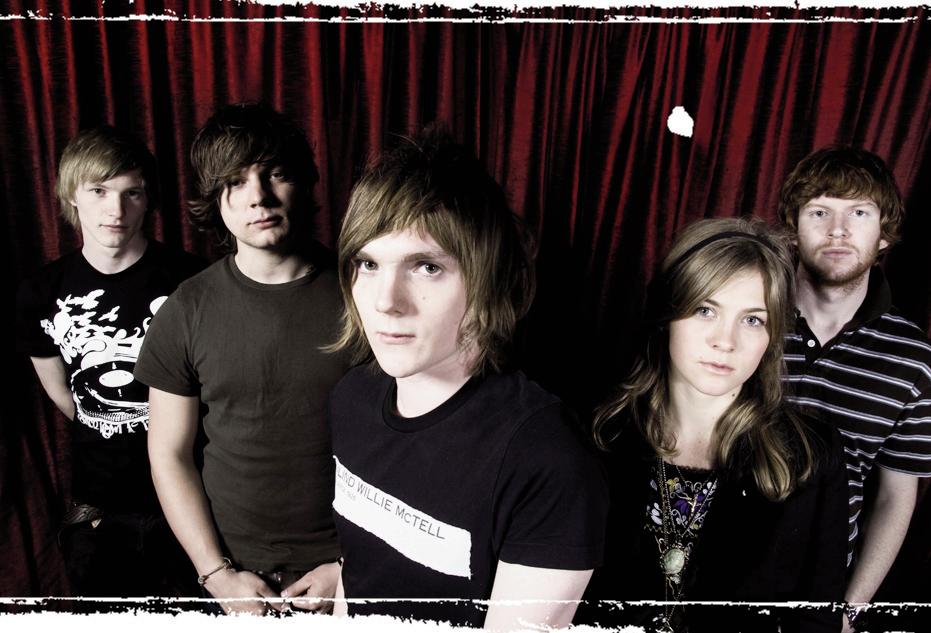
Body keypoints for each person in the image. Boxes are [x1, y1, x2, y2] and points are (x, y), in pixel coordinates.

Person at [327, 126, 609, 629]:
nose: (386, 301)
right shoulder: (351, 398)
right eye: (368, 263)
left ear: (486, 279)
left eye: (426, 267)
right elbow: (358, 573)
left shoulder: (546, 459)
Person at [133, 103, 348, 614]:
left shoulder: (365, 294)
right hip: (236, 572)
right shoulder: (187, 308)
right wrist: (217, 575)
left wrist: (352, 566)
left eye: (275, 173)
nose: (258, 196)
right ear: (215, 198)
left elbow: (415, 444)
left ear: (303, 182)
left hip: (348, 567)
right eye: (235, 181)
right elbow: (168, 454)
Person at [587, 218, 847, 632]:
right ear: (668, 314)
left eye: (752, 320)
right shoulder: (596, 434)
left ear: (773, 336)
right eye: (705, 310)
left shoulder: (811, 456)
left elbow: (817, 617)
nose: (725, 341)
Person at [15, 126, 204, 597]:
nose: (115, 210)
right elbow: (67, 396)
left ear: (148, 199)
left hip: (196, 502)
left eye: (131, 193)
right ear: (71, 196)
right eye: (98, 191)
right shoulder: (41, 292)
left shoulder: (193, 281)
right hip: (99, 510)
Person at [778, 146, 931, 630]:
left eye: (859, 213)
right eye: (819, 211)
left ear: (884, 232)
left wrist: (851, 609)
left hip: (819, 590)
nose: (838, 230)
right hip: (714, 571)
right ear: (793, 227)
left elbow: (896, 496)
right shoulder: (747, 317)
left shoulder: (913, 358)